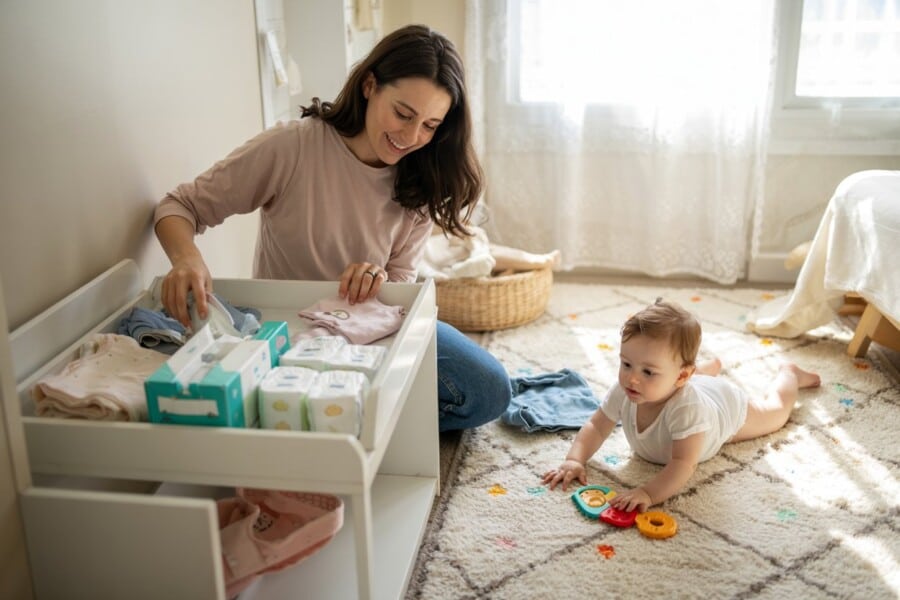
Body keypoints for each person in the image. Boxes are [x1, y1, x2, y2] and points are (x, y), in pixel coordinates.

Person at [153, 24, 511, 431]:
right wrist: (187, 259)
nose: (411, 137)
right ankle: (341, 417)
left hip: (367, 330)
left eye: (430, 126)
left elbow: (400, 284)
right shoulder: (292, 147)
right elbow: (178, 206)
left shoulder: (421, 179)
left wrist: (376, 278)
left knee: (490, 390)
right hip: (289, 333)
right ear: (370, 86)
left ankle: (349, 419)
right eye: (403, 114)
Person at [542, 299, 820, 512]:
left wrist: (648, 493)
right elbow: (596, 425)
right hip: (686, 382)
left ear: (682, 376)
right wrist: (575, 459)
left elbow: (683, 463)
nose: (632, 378)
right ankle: (706, 370)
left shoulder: (688, 410)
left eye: (647, 371)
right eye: (626, 364)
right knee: (666, 381)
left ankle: (790, 375)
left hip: (723, 409)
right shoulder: (625, 390)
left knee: (775, 413)